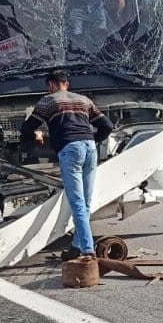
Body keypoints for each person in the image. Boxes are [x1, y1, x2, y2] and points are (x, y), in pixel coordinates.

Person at [19, 70, 114, 260]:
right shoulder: (84, 100)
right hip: (90, 149)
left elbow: (27, 128)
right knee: (85, 203)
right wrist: (91, 139)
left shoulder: (48, 101)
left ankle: (88, 251)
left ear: (51, 85)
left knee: (77, 203)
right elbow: (108, 126)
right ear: (67, 84)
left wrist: (39, 141)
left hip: (70, 151)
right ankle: (77, 246)